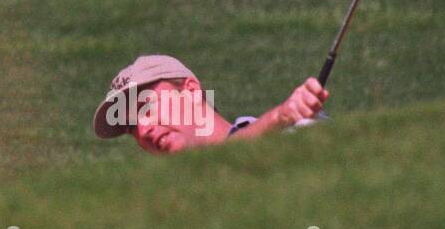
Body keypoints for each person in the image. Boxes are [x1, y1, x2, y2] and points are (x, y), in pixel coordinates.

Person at [92, 53, 328, 155]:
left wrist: (282, 119)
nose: (143, 130)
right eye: (132, 128)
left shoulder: (296, 132)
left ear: (192, 90)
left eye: (146, 107)